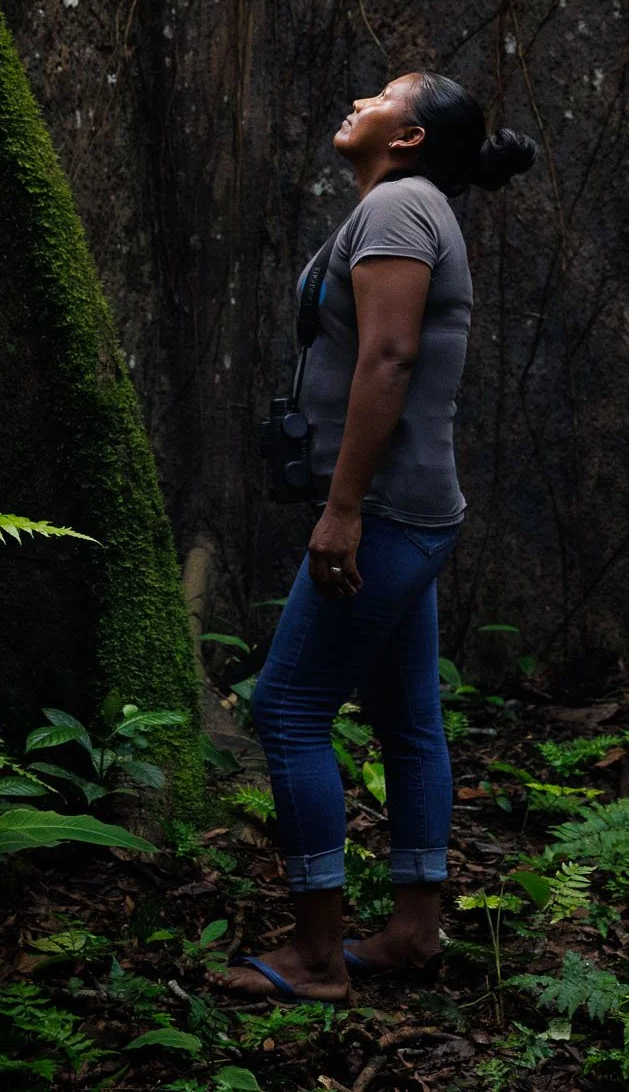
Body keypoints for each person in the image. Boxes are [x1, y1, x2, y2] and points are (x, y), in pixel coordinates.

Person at [212, 71, 537, 1003]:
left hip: (388, 511)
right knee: (406, 720)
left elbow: (389, 357)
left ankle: (317, 958)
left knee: (286, 712)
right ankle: (412, 934)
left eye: (387, 93)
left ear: (408, 139)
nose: (358, 97)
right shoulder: (409, 203)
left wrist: (343, 507)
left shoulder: (399, 206)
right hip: (413, 507)